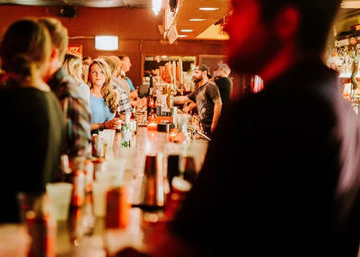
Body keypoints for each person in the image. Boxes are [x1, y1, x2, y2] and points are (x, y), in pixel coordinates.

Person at [141, 0, 360, 257]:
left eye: (239, 10)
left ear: (285, 22)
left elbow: (186, 246)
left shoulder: (261, 113)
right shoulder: (347, 116)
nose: (227, 26)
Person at [0, 18, 65, 256]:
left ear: (5, 51)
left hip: (4, 223)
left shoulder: (7, 96)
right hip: (40, 218)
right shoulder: (51, 99)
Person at [38, 17, 91, 158]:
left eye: (34, 50)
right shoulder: (40, 86)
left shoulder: (68, 93)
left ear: (53, 54)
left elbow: (78, 156)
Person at [174, 64, 222, 136]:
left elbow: (218, 103)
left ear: (204, 73)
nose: (194, 74)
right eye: (194, 72)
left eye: (197, 72)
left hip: (211, 128)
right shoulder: (198, 90)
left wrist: (214, 124)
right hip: (204, 128)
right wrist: (169, 98)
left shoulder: (210, 86)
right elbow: (183, 99)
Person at [87, 58, 120, 132]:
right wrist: (103, 125)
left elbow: (113, 120)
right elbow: (80, 127)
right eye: (94, 72)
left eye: (102, 72)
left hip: (109, 139)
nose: (98, 75)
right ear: (89, 75)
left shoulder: (113, 94)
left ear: (106, 75)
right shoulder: (85, 95)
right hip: (91, 140)